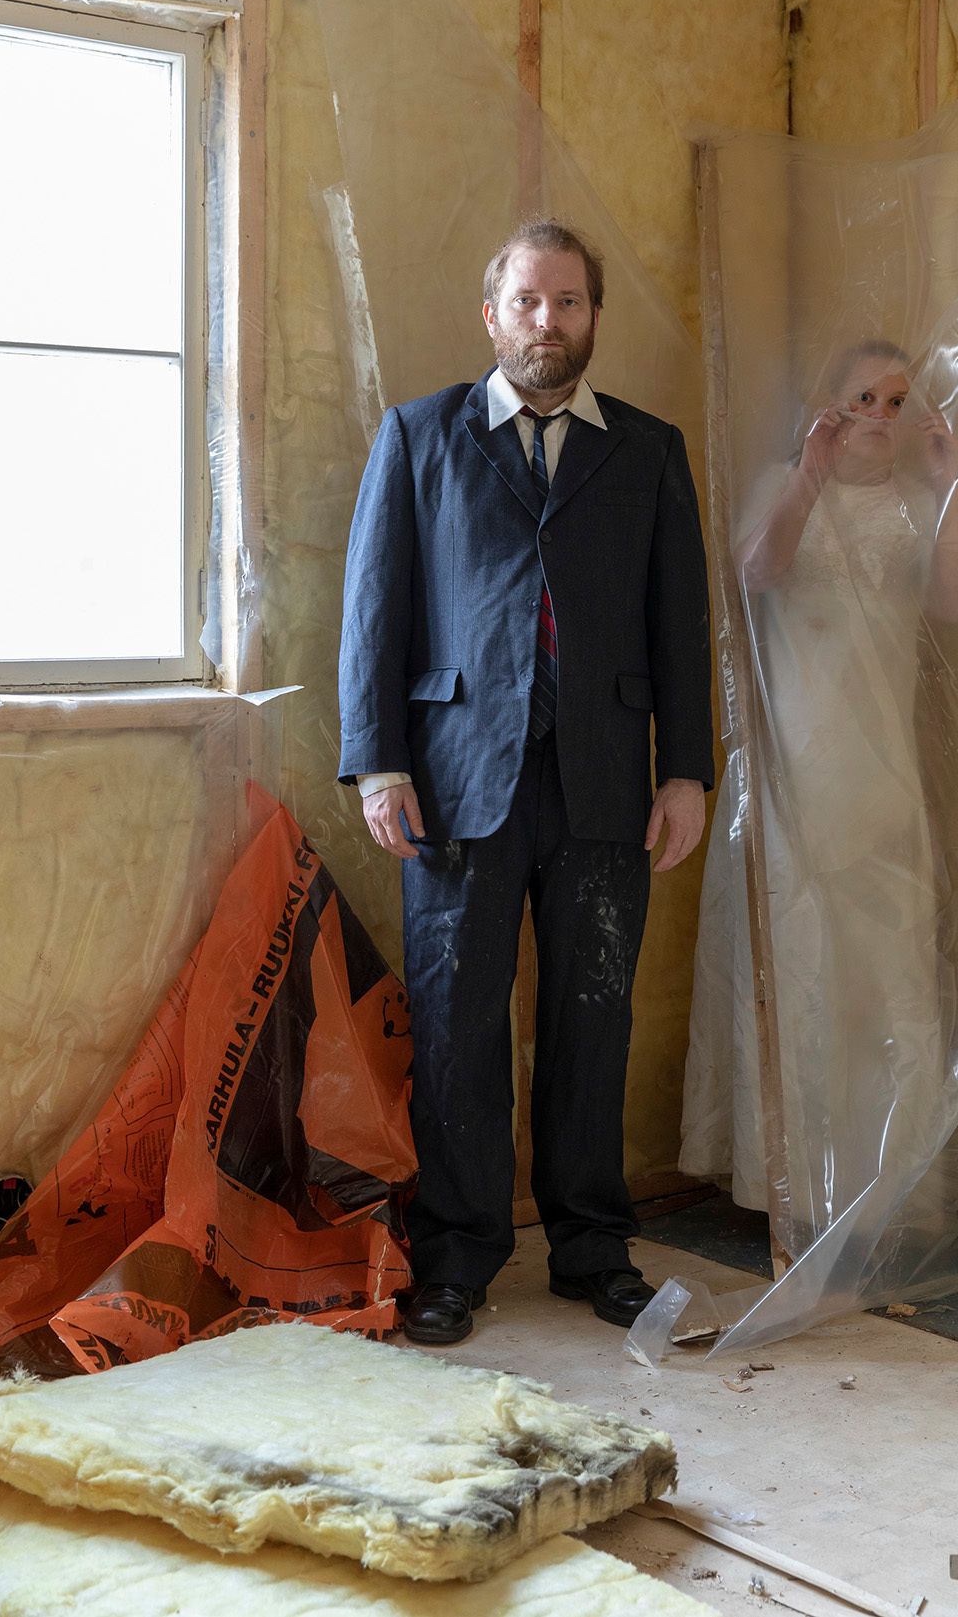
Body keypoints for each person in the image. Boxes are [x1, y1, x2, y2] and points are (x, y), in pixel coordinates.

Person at [338, 219, 713, 1345]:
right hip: (453, 784)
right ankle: (456, 1257)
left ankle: (592, 1247)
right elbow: (374, 613)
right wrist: (377, 761)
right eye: (529, 302)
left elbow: (678, 623)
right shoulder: (418, 437)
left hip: (604, 780)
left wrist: (687, 769)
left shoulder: (648, 450)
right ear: (491, 315)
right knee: (457, 1025)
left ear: (594, 318)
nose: (549, 322)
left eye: (571, 303)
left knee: (594, 1018)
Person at [679, 340, 958, 1246]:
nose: (879, 416)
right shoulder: (782, 484)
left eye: (895, 400)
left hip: (881, 764)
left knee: (890, 969)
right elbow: (755, 573)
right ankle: (796, 1183)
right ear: (829, 405)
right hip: (796, 757)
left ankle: (890, 1182)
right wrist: (809, 475)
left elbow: (955, 604)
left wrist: (951, 478)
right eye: (863, 398)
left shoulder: (918, 505)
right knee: (802, 959)